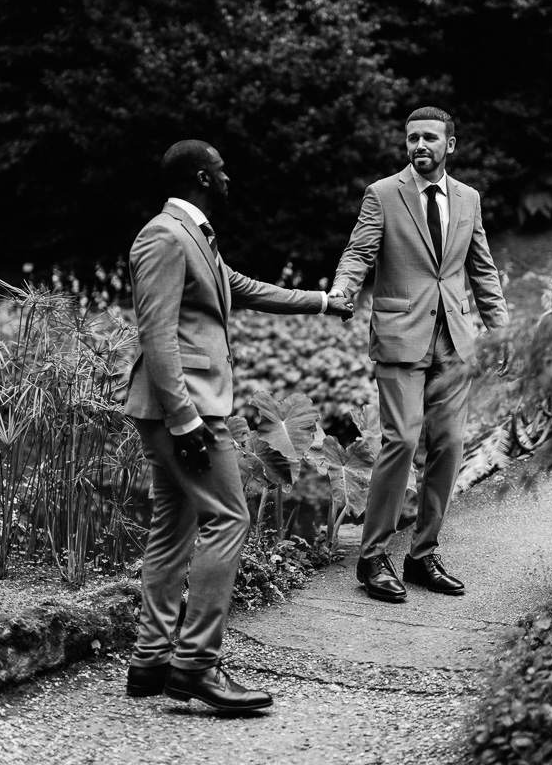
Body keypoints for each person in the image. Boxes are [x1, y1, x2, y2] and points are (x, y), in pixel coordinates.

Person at [124, 139, 353, 712]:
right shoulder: (163, 236)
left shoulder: (195, 236)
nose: (230, 180)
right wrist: (185, 420)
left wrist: (323, 301)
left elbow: (244, 287)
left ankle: (151, 658)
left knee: (172, 526)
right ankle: (196, 663)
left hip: (183, 408)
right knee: (229, 517)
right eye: (224, 172)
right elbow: (156, 335)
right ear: (203, 176)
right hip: (185, 410)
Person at [329, 107, 508, 601]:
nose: (419, 145)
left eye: (429, 137)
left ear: (450, 144)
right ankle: (372, 559)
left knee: (449, 445)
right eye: (412, 138)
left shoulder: (469, 199)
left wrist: (501, 332)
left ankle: (423, 554)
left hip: (454, 338)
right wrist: (343, 288)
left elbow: (483, 270)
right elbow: (359, 252)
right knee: (402, 441)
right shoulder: (383, 194)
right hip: (400, 336)